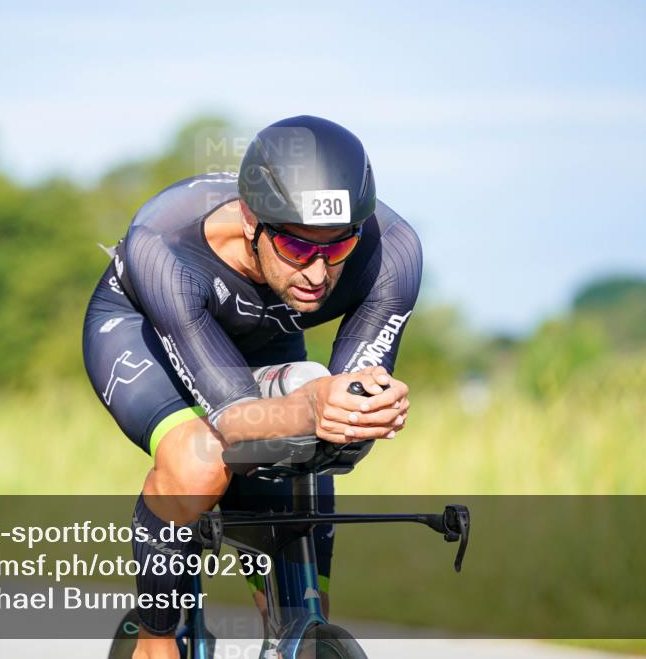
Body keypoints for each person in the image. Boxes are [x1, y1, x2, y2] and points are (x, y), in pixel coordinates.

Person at [82, 115, 422, 659]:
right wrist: (311, 406)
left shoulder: (394, 253)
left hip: (266, 344)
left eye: (337, 250)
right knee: (200, 460)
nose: (317, 273)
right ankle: (155, 636)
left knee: (322, 433)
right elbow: (236, 416)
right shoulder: (163, 244)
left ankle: (293, 629)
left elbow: (346, 400)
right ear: (249, 220)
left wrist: (362, 411)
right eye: (295, 247)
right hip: (146, 331)